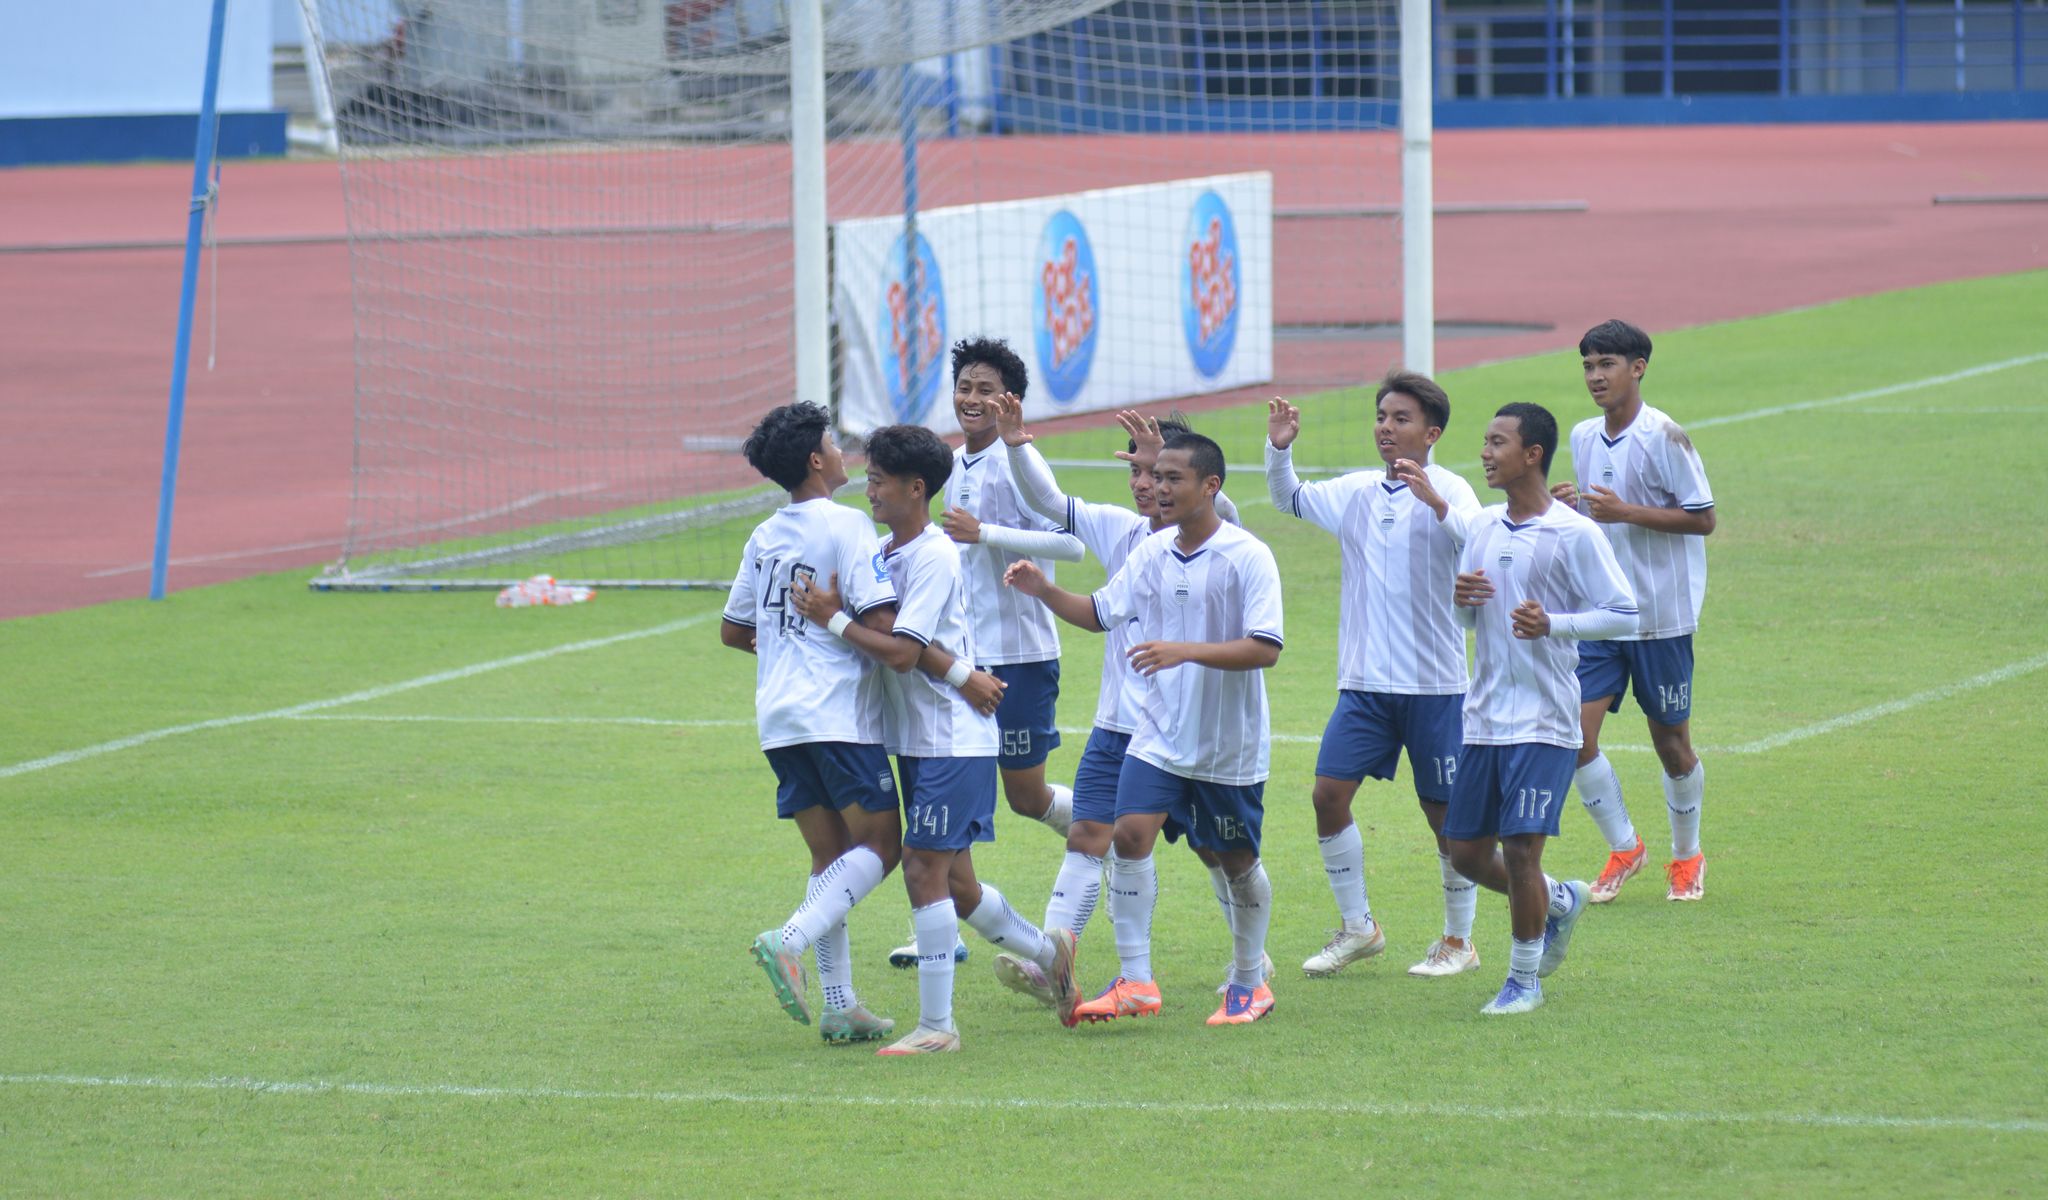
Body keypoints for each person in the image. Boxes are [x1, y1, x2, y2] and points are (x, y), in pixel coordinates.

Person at [788, 423, 1078, 1053]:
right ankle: (1048, 953)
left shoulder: (936, 554)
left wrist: (831, 617)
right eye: (865, 478)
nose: (868, 492)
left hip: (951, 739)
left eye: (878, 481)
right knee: (959, 885)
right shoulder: (885, 555)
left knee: (921, 868)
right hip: (914, 740)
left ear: (915, 488)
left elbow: (901, 653)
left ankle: (938, 1027)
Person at [982, 397, 1268, 1006]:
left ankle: (1251, 960)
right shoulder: (1129, 536)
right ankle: (1065, 958)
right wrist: (1015, 447)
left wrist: (1183, 651)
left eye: (1163, 475)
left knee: (1220, 852)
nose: (1149, 487)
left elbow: (1231, 532)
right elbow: (1052, 509)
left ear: (1201, 483)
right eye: (1140, 474)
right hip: (1126, 725)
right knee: (1102, 832)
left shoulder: (1234, 542)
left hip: (1207, 727)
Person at [1266, 373, 1487, 981]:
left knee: (1446, 818)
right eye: (1382, 416)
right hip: (1363, 686)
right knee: (1327, 796)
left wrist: (1437, 506)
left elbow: (1478, 541)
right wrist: (1279, 450)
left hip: (1436, 687)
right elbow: (1290, 499)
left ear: (1432, 433)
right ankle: (1358, 927)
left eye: (1401, 419)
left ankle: (1458, 940)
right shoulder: (1357, 492)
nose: (1386, 428)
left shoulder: (1454, 489)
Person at [881, 336, 1084, 969]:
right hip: (965, 659)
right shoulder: (949, 464)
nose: (973, 399)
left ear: (1009, 400)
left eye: (986, 389)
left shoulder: (1019, 461)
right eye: (965, 387)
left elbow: (1072, 545)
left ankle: (1104, 828)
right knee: (942, 791)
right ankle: (936, 920)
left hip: (1020, 655)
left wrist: (986, 533)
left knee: (1024, 797)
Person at [721, 401, 903, 1043]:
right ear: (815, 460)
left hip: (778, 713)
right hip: (837, 712)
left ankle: (840, 1004)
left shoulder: (764, 534)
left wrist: (785, 641)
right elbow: (881, 625)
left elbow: (732, 629)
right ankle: (789, 938)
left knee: (830, 859)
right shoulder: (847, 525)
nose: (844, 453)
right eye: (834, 442)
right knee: (883, 847)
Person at [1447, 403, 1638, 1015]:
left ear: (1532, 454)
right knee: (1466, 853)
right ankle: (1559, 900)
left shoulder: (1574, 533)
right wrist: (1462, 601)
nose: (1484, 452)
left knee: (1522, 850)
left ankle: (1523, 980)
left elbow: (1624, 613)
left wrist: (1555, 624)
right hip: (1484, 717)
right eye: (1485, 440)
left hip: (1546, 719)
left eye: (1496, 442)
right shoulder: (1480, 527)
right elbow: (1468, 619)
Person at [1553, 320, 1717, 902]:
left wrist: (1627, 511)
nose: (1596, 377)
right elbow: (1589, 522)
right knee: (1571, 737)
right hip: (1602, 615)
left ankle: (1687, 855)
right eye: (1588, 367)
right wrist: (1565, 508)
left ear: (1638, 367)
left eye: (1607, 366)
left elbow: (1703, 517)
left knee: (1671, 745)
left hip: (1661, 619)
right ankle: (1625, 846)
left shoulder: (1665, 437)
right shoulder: (1581, 436)